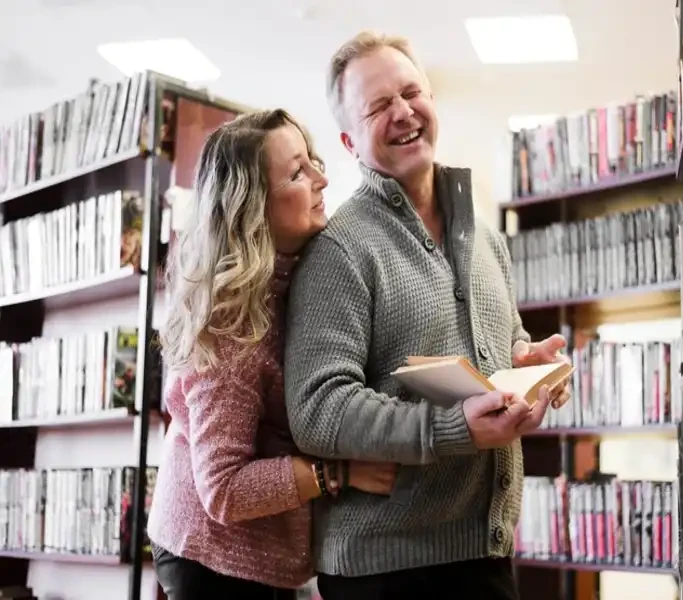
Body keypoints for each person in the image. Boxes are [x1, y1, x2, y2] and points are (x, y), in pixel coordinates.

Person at [283, 31, 572, 600]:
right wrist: (451, 428)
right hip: (385, 572)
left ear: (432, 99)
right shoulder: (339, 249)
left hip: (482, 553)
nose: (403, 113)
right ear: (349, 142)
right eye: (377, 106)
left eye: (411, 92)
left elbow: (500, 339)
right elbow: (317, 409)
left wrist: (524, 363)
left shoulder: (486, 238)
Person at [146, 109, 397, 600]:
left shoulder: (295, 277)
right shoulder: (234, 325)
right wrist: (337, 475)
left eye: (314, 162)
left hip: (258, 555)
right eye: (298, 173)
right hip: (212, 557)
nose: (323, 178)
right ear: (253, 207)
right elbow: (224, 489)